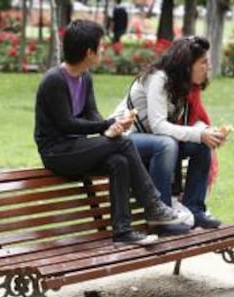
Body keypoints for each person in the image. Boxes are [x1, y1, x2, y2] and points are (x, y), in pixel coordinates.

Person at [34, 20, 191, 246]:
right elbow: (67, 124)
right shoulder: (54, 80)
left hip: (77, 149)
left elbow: (91, 114)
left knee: (119, 161)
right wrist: (107, 125)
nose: (104, 49)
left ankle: (123, 231)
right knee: (124, 145)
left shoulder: (85, 77)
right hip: (56, 153)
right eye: (101, 45)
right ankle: (154, 206)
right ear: (89, 52)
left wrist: (111, 127)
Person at [112, 36, 226, 229]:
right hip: (123, 137)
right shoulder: (159, 78)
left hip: (153, 143)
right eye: (203, 63)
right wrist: (199, 133)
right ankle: (161, 215)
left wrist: (206, 132)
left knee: (200, 145)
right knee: (166, 143)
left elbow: (189, 121)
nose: (207, 68)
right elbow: (159, 126)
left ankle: (195, 209)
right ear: (187, 64)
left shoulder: (183, 84)